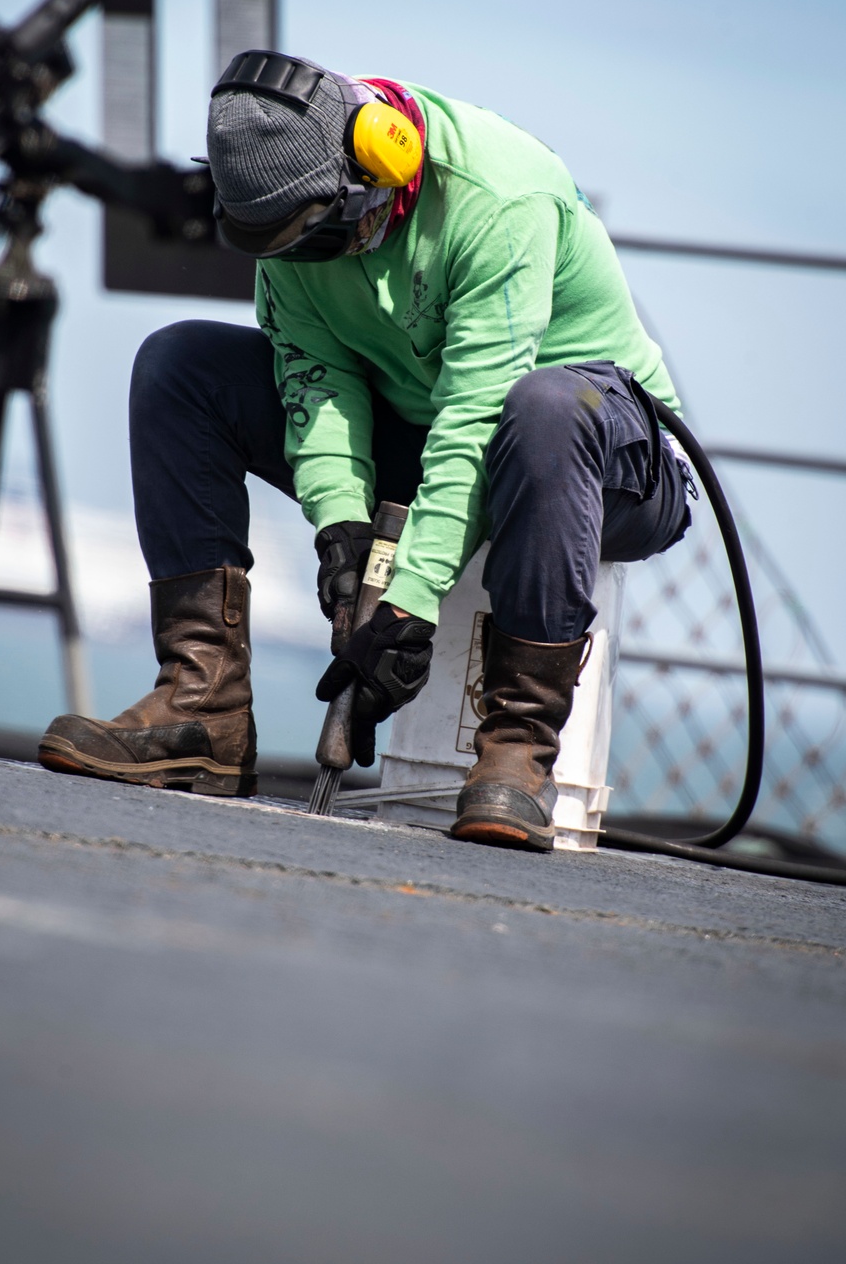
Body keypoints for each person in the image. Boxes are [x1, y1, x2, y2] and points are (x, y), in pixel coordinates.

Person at [38, 50, 693, 849]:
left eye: (326, 237)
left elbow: (477, 418)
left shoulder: (499, 200)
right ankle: (201, 705)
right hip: (433, 433)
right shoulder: (288, 224)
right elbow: (317, 380)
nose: (319, 263)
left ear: (381, 163)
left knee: (545, 407)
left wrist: (408, 608)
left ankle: (519, 748)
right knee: (181, 366)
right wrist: (342, 538)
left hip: (602, 459)